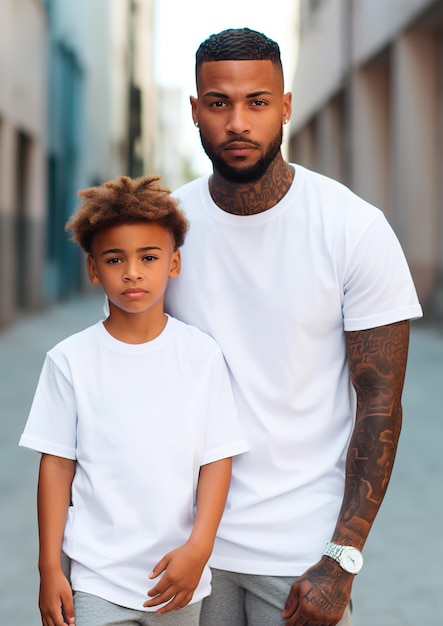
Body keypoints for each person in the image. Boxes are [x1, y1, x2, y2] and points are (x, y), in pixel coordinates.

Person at [164, 28, 423, 626]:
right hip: (182, 548)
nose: (238, 122)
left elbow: (380, 404)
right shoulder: (166, 232)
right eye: (219, 103)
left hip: (300, 554)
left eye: (257, 102)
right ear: (196, 111)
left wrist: (342, 559)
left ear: (284, 106)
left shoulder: (352, 228)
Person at [19, 175, 248, 626]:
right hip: (95, 577)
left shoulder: (200, 355)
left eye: (148, 257)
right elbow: (56, 466)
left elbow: (217, 459)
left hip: (175, 576)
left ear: (174, 263)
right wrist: (49, 568)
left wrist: (199, 548)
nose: (132, 272)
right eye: (114, 259)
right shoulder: (70, 360)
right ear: (93, 270)